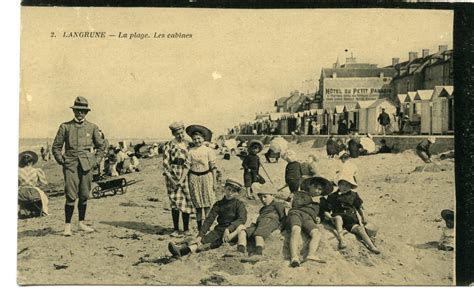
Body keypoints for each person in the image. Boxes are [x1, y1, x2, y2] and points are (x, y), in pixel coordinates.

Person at [52, 96, 105, 236]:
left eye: (82, 111)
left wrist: (96, 161)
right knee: (70, 195)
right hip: (70, 164)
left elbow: (101, 146)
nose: (80, 113)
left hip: (87, 164)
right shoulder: (65, 127)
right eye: (77, 110)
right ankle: (67, 226)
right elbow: (56, 147)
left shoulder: (92, 127)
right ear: (74, 111)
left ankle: (81, 223)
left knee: (84, 194)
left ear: (86, 112)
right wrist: (61, 160)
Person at [168, 179, 247, 257]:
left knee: (241, 228)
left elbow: (242, 219)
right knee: (202, 241)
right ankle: (181, 252)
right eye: (228, 189)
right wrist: (200, 235)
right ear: (225, 188)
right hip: (219, 230)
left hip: (233, 231)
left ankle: (239, 250)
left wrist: (229, 229)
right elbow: (209, 220)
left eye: (233, 191)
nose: (230, 193)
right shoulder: (219, 204)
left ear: (237, 193)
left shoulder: (239, 204)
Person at [323, 174, 380, 254]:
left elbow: (359, 208)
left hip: (350, 220)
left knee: (360, 229)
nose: (344, 187)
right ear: (338, 185)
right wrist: (330, 218)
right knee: (338, 218)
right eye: (342, 185)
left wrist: (364, 218)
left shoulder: (353, 195)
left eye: (347, 185)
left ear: (351, 187)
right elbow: (326, 210)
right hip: (337, 219)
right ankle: (341, 239)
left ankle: (371, 246)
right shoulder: (332, 196)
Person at [287, 176, 333, 267]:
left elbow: (323, 211)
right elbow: (296, 204)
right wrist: (311, 200)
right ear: (309, 186)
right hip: (297, 213)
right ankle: (294, 257)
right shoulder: (301, 194)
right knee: (296, 230)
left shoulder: (321, 200)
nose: (317, 191)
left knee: (316, 233)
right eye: (315, 188)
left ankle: (311, 255)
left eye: (320, 189)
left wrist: (319, 217)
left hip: (309, 218)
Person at [163, 121, 194, 237]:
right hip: (173, 174)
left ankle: (186, 229)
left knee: (186, 200)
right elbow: (166, 163)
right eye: (177, 134)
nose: (180, 135)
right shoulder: (169, 145)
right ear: (173, 134)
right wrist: (172, 179)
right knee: (174, 202)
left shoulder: (188, 144)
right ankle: (176, 229)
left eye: (182, 133)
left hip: (185, 174)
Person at [238, 184, 286, 255]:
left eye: (265, 197)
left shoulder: (277, 204)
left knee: (259, 234)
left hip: (270, 220)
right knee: (243, 232)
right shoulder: (262, 209)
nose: (263, 199)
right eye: (261, 197)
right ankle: (240, 250)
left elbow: (284, 217)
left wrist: (280, 228)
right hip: (259, 224)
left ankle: (258, 253)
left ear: (273, 196)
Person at [186, 125, 217, 232]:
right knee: (198, 205)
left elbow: (213, 167)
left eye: (199, 138)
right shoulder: (190, 151)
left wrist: (214, 182)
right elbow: (187, 167)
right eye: (194, 139)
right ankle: (200, 227)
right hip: (194, 178)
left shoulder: (208, 150)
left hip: (206, 177)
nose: (197, 140)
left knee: (208, 204)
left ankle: (206, 227)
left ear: (203, 139)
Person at [18, 151, 49, 218]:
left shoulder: (18, 171)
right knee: (44, 197)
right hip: (34, 192)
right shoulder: (36, 171)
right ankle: (44, 211)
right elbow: (44, 183)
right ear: (31, 162)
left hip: (21, 193)